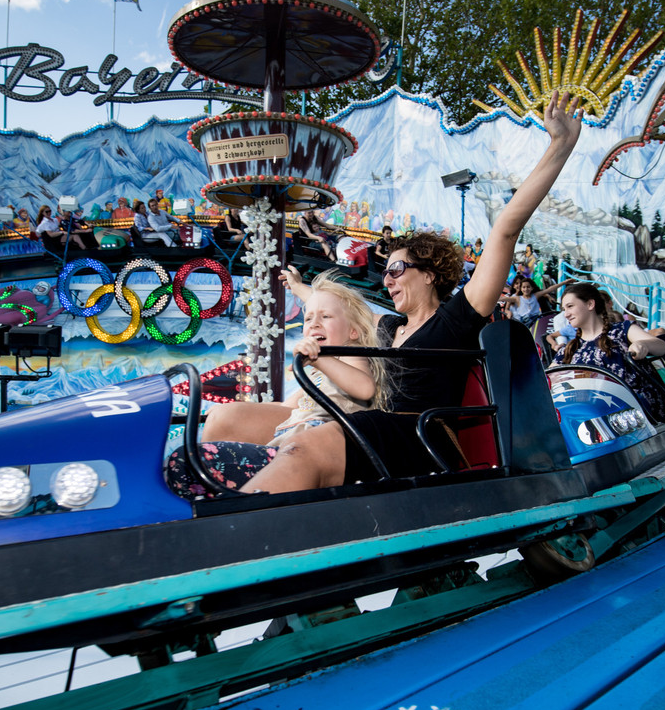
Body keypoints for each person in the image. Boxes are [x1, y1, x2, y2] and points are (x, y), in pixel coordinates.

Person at [239, 91, 584, 494]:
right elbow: (339, 308)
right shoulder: (388, 328)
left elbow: (506, 227)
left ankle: (228, 538)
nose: (387, 279)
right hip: (379, 429)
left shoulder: (455, 320)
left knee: (304, 446)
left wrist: (561, 145)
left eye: (398, 269)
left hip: (418, 439)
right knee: (232, 422)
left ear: (430, 274)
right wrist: (298, 287)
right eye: (385, 272)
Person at [166, 271, 381, 497]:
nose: (314, 323)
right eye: (308, 318)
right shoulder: (320, 372)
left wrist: (322, 360)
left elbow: (365, 388)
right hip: (286, 440)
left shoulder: (350, 355)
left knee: (183, 462)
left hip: (309, 448)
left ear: (354, 331)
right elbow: (286, 407)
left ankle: (218, 495)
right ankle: (212, 491)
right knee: (216, 421)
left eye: (325, 317)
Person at [556, 281, 665, 417]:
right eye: (564, 309)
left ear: (590, 304)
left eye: (570, 306)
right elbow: (548, 379)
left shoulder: (622, 330)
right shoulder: (569, 349)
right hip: (594, 415)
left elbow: (662, 346)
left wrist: (643, 345)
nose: (566, 314)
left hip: (637, 411)